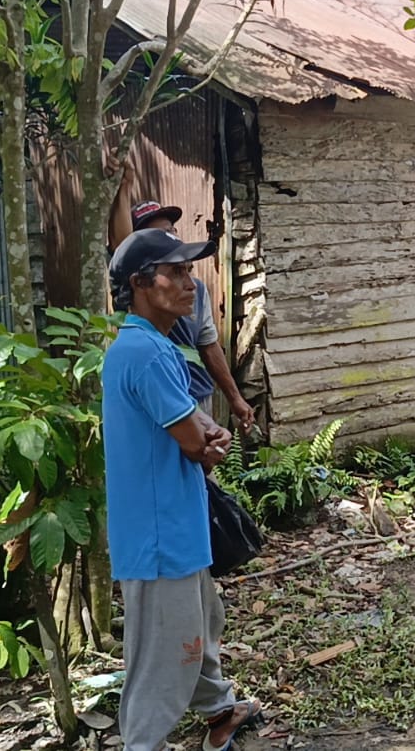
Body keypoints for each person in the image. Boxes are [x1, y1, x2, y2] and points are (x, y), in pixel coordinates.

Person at [103, 228, 261, 751]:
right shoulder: (143, 354)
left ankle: (219, 712)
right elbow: (199, 443)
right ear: (141, 284)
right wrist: (207, 442)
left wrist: (205, 436)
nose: (190, 283)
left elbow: (194, 426)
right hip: (157, 535)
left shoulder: (155, 346)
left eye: (189, 271)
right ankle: (141, 744)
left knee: (201, 623)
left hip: (176, 522)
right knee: (164, 654)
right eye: (177, 272)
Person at [110, 196, 256, 433]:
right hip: (161, 398)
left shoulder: (194, 290)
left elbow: (208, 344)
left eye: (171, 231)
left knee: (197, 467)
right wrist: (122, 187)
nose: (169, 238)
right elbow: (122, 246)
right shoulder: (145, 347)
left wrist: (234, 398)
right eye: (156, 234)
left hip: (197, 393)